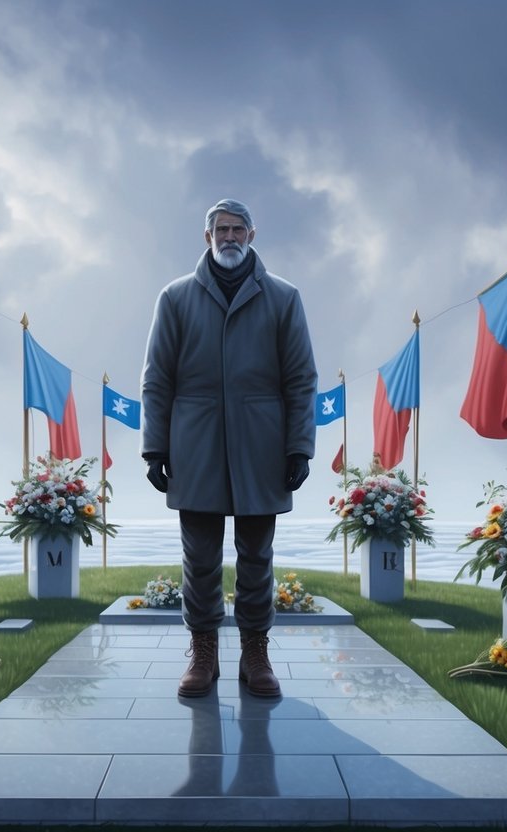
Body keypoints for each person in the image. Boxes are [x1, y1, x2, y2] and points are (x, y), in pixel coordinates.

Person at [141, 198, 317, 699]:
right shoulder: (175, 298)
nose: (230, 237)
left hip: (262, 446)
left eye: (239, 229)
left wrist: (299, 447)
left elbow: (301, 379)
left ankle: (255, 654)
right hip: (194, 446)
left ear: (253, 235)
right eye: (222, 229)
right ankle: (203, 653)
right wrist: (155, 449)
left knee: (257, 558)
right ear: (207, 237)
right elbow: (157, 380)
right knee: (198, 559)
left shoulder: (283, 298)